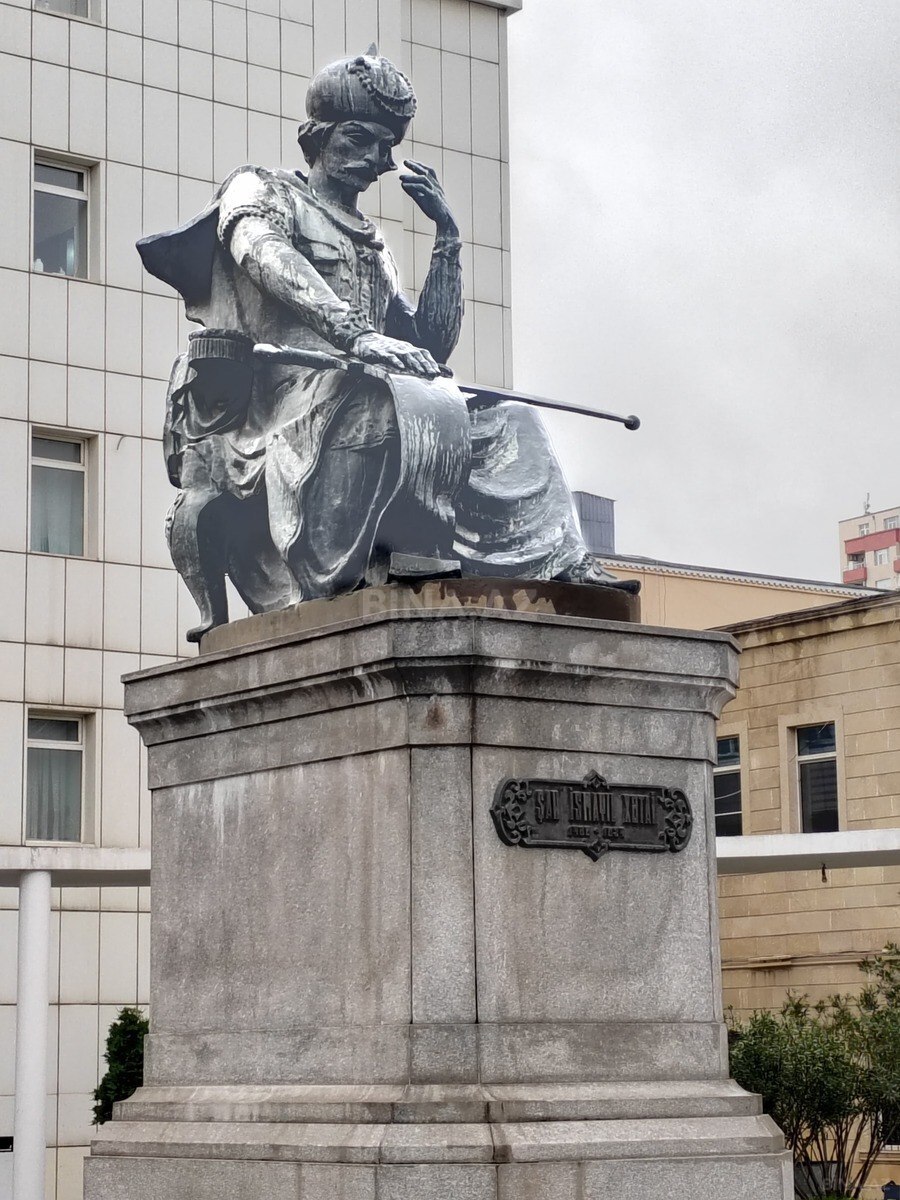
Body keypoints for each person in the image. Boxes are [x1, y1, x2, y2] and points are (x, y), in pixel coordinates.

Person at [138, 46, 629, 641]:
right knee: (390, 404)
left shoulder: (374, 243)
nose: (376, 159)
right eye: (359, 139)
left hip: (365, 386)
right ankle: (398, 553)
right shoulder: (263, 190)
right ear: (317, 136)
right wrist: (357, 336)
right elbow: (263, 254)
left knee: (513, 421)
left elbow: (428, 345)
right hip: (286, 403)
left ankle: (558, 562)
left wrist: (447, 238)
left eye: (386, 146)